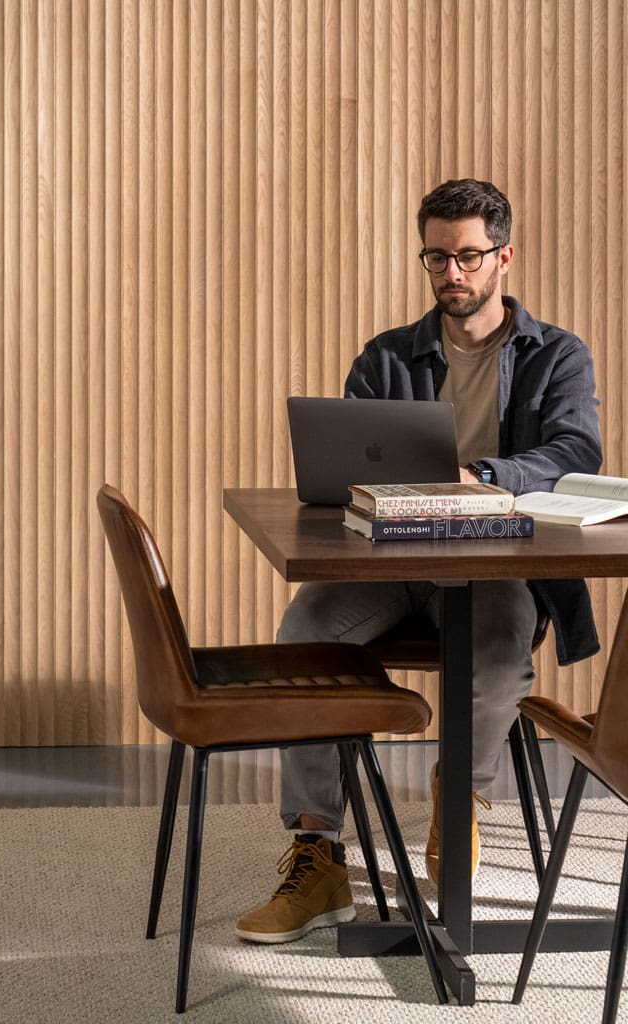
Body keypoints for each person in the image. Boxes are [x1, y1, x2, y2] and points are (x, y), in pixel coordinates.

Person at [235, 179, 603, 945]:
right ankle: (317, 854)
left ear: (504, 257)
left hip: (500, 563)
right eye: (437, 257)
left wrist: (485, 476)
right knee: (306, 633)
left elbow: (576, 450)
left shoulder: (557, 355)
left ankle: (457, 797)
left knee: (499, 649)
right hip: (390, 562)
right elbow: (344, 470)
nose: (452, 273)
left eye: (468, 256)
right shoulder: (385, 358)